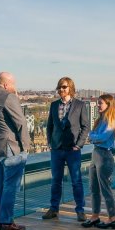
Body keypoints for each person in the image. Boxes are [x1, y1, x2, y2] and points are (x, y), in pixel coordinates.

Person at [0, 71, 32, 230]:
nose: (14, 87)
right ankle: (6, 222)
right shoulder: (8, 96)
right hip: (10, 146)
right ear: (5, 84)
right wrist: (26, 145)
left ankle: (0, 220)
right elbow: (21, 122)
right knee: (10, 186)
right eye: (12, 84)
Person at [43, 76, 91, 222]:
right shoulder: (53, 105)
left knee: (76, 181)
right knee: (55, 181)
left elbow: (85, 126)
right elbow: (50, 126)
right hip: (56, 149)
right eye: (59, 87)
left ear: (71, 88)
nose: (61, 89)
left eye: (64, 87)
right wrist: (50, 142)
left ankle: (80, 210)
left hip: (72, 150)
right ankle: (54, 209)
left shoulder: (80, 105)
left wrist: (79, 144)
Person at [82, 94, 115, 229]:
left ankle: (112, 218)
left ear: (108, 105)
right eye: (98, 103)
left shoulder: (112, 121)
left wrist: (91, 136)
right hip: (96, 154)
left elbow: (102, 137)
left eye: (100, 103)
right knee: (93, 187)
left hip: (104, 156)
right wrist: (94, 137)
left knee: (105, 189)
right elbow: (96, 137)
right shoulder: (101, 119)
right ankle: (95, 216)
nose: (98, 105)